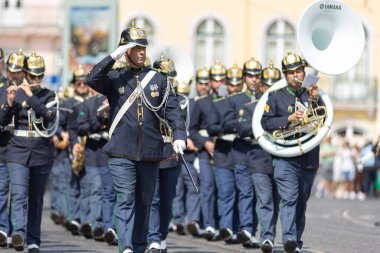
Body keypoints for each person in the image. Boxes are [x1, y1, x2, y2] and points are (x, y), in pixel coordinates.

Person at [86, 21, 186, 253]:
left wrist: (179, 135)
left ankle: (139, 246)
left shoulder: (158, 79)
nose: (141, 52)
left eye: (143, 48)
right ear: (126, 50)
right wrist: (113, 55)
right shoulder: (114, 77)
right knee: (126, 198)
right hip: (121, 150)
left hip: (151, 152)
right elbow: (91, 79)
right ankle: (126, 247)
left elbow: (173, 109)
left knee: (144, 202)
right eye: (135, 48)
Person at [261, 52, 320, 253]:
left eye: (299, 71)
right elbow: (265, 123)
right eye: (291, 72)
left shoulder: (313, 93)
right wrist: (288, 119)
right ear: (285, 75)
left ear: (304, 72)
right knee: (289, 198)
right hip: (285, 156)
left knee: (301, 201)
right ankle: (289, 239)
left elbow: (323, 121)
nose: (296, 75)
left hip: (308, 156)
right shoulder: (275, 96)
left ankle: (296, 241)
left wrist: (316, 101)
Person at [0, 51, 57, 253]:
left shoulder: (49, 95)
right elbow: (1, 122)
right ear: (25, 74)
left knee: (36, 198)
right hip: (17, 150)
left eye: (40, 75)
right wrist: (8, 104)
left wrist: (31, 96)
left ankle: (34, 239)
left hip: (41, 151)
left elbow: (49, 116)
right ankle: (19, 233)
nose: (36, 79)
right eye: (32, 76)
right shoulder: (15, 93)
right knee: (19, 194)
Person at [238, 63, 281, 253]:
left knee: (277, 201)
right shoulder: (251, 107)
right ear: (262, 86)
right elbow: (242, 129)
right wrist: (263, 126)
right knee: (264, 200)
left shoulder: (285, 107)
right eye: (267, 85)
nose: (270, 89)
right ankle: (267, 238)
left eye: (274, 85)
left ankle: (269, 233)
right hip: (259, 158)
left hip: (281, 157)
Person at [146, 55, 185, 253]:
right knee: (153, 198)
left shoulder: (181, 100)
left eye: (171, 77)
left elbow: (179, 121)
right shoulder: (146, 97)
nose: (168, 81)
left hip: (170, 154)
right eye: (164, 77)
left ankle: (161, 235)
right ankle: (152, 237)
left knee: (168, 200)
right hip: (152, 153)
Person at [223, 58, 263, 248]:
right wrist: (244, 126)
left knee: (259, 195)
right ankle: (246, 228)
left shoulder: (267, 97)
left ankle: (253, 230)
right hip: (241, 150)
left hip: (261, 151)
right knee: (246, 192)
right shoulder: (235, 99)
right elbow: (226, 123)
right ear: (245, 77)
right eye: (250, 76)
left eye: (257, 76)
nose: (254, 80)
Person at [207, 64, 245, 243]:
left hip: (242, 151)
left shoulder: (247, 101)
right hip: (223, 150)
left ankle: (240, 229)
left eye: (239, 83)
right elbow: (211, 127)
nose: (235, 87)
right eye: (232, 83)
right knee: (226, 192)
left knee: (242, 192)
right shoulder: (218, 103)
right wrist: (229, 126)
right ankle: (227, 227)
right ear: (226, 84)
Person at [189, 63, 226, 241]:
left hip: (226, 151)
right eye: (215, 81)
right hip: (206, 152)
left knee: (225, 190)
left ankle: (223, 225)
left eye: (222, 80)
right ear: (210, 82)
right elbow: (193, 129)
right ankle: (209, 224)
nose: (218, 84)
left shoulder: (230, 100)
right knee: (208, 188)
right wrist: (205, 143)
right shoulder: (202, 102)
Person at [0, 49, 26, 247]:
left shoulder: (29, 91)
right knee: (1, 191)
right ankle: (2, 229)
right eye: (11, 70)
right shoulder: (2, 90)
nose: (13, 74)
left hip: (22, 148)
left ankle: (18, 231)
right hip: (3, 145)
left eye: (17, 71)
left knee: (18, 193)